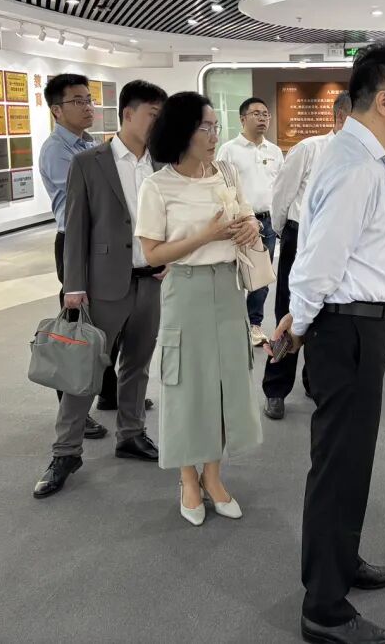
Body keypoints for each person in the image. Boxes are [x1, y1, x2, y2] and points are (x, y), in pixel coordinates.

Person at [270, 44, 385, 644]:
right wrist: (298, 325)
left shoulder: (362, 158)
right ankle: (324, 609)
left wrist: (301, 316)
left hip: (358, 326)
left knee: (351, 461)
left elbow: (326, 249)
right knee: (339, 466)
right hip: (349, 330)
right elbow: (318, 262)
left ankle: (341, 562)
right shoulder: (356, 166)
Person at [33, 81, 167, 498]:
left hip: (151, 281)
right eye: (153, 115)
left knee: (138, 364)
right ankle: (65, 452)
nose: (158, 123)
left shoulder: (163, 162)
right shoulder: (90, 162)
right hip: (104, 284)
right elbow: (75, 228)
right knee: (85, 369)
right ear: (128, 114)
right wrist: (73, 285)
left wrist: (171, 257)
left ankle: (131, 433)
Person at [136, 92, 264, 527]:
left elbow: (247, 216)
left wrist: (250, 226)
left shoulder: (226, 173)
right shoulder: (158, 186)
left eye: (215, 127)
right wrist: (206, 236)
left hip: (228, 287)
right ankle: (187, 478)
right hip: (185, 290)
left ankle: (213, 475)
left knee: (226, 383)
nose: (213, 136)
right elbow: (152, 254)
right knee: (187, 386)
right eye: (204, 127)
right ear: (182, 131)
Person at [262, 92, 352, 420]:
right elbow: (281, 194)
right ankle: (275, 388)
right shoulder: (310, 148)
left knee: (325, 314)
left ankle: (314, 380)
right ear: (340, 117)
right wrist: (285, 232)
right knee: (289, 310)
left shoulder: (362, 156)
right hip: (300, 236)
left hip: (338, 242)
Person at [37, 73, 106, 441]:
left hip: (100, 241)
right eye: (78, 101)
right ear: (57, 110)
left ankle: (108, 391)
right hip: (74, 241)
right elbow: (89, 195)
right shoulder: (56, 150)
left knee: (104, 319)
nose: (87, 107)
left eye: (89, 99)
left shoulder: (88, 142)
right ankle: (73, 410)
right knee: (75, 328)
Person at [217, 97, 284, 346]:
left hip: (267, 223)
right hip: (239, 223)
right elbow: (221, 186)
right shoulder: (229, 150)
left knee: (261, 278)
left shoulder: (274, 151)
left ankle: (254, 325)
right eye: (256, 113)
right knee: (233, 276)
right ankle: (231, 323)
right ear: (242, 118)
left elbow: (281, 188)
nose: (263, 118)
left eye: (266, 114)